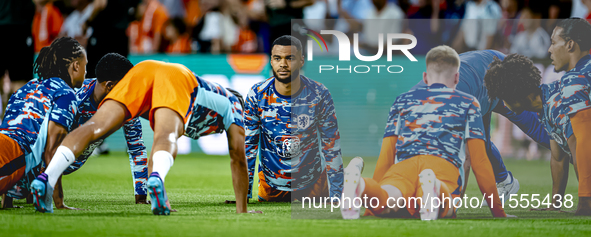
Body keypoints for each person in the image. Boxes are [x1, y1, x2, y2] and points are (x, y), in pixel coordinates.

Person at [30, 59, 257, 215]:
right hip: (178, 77)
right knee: (168, 134)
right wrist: (243, 210)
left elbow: (148, 150)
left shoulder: (211, 100)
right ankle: (158, 178)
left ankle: (46, 178)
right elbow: (238, 156)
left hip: (144, 70)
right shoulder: (235, 106)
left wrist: (147, 190)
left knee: (94, 126)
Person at [340, 45, 508, 220]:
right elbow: (479, 161)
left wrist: (371, 208)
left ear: (425, 77)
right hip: (441, 166)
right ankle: (434, 187)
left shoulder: (402, 101)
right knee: (446, 207)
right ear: (457, 77)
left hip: (405, 167)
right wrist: (499, 212)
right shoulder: (468, 103)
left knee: (388, 201)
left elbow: (387, 153)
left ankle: (360, 184)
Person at [411, 50, 551, 198]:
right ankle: (505, 181)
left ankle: (573, 153)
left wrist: (451, 208)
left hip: (501, 79)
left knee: (541, 132)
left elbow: (464, 160)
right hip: (476, 84)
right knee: (481, 143)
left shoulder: (453, 105)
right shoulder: (410, 111)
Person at [244, 35, 343, 202]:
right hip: (272, 186)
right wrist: (244, 195)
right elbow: (248, 148)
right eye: (277, 58)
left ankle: (349, 178)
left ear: (301, 61)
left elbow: (331, 146)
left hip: (312, 183)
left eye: (290, 58)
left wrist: (336, 195)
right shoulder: (257, 94)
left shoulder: (319, 94)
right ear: (271, 61)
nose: (283, 64)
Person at [484, 53, 579, 214]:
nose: (503, 104)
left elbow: (581, 155)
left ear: (516, 96)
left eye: (504, 98)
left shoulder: (556, 107)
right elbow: (558, 157)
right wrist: (555, 206)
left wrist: (585, 203)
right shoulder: (547, 105)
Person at [0, 37, 86, 209]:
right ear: (76, 66)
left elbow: (9, 127)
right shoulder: (66, 95)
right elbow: (52, 152)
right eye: (86, 65)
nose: (85, 72)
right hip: (12, 155)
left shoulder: (28, 86)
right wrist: (59, 203)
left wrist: (6, 202)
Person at [64, 53, 149, 204]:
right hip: (35, 163)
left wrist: (141, 196)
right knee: (18, 188)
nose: (129, 92)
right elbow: (44, 138)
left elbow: (137, 148)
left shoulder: (125, 107)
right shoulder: (72, 98)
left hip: (68, 164)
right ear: (109, 85)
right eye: (126, 86)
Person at [547, 18, 591, 215]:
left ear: (570, 44)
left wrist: (585, 201)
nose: (549, 50)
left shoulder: (575, 79)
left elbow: (584, 139)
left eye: (554, 42)